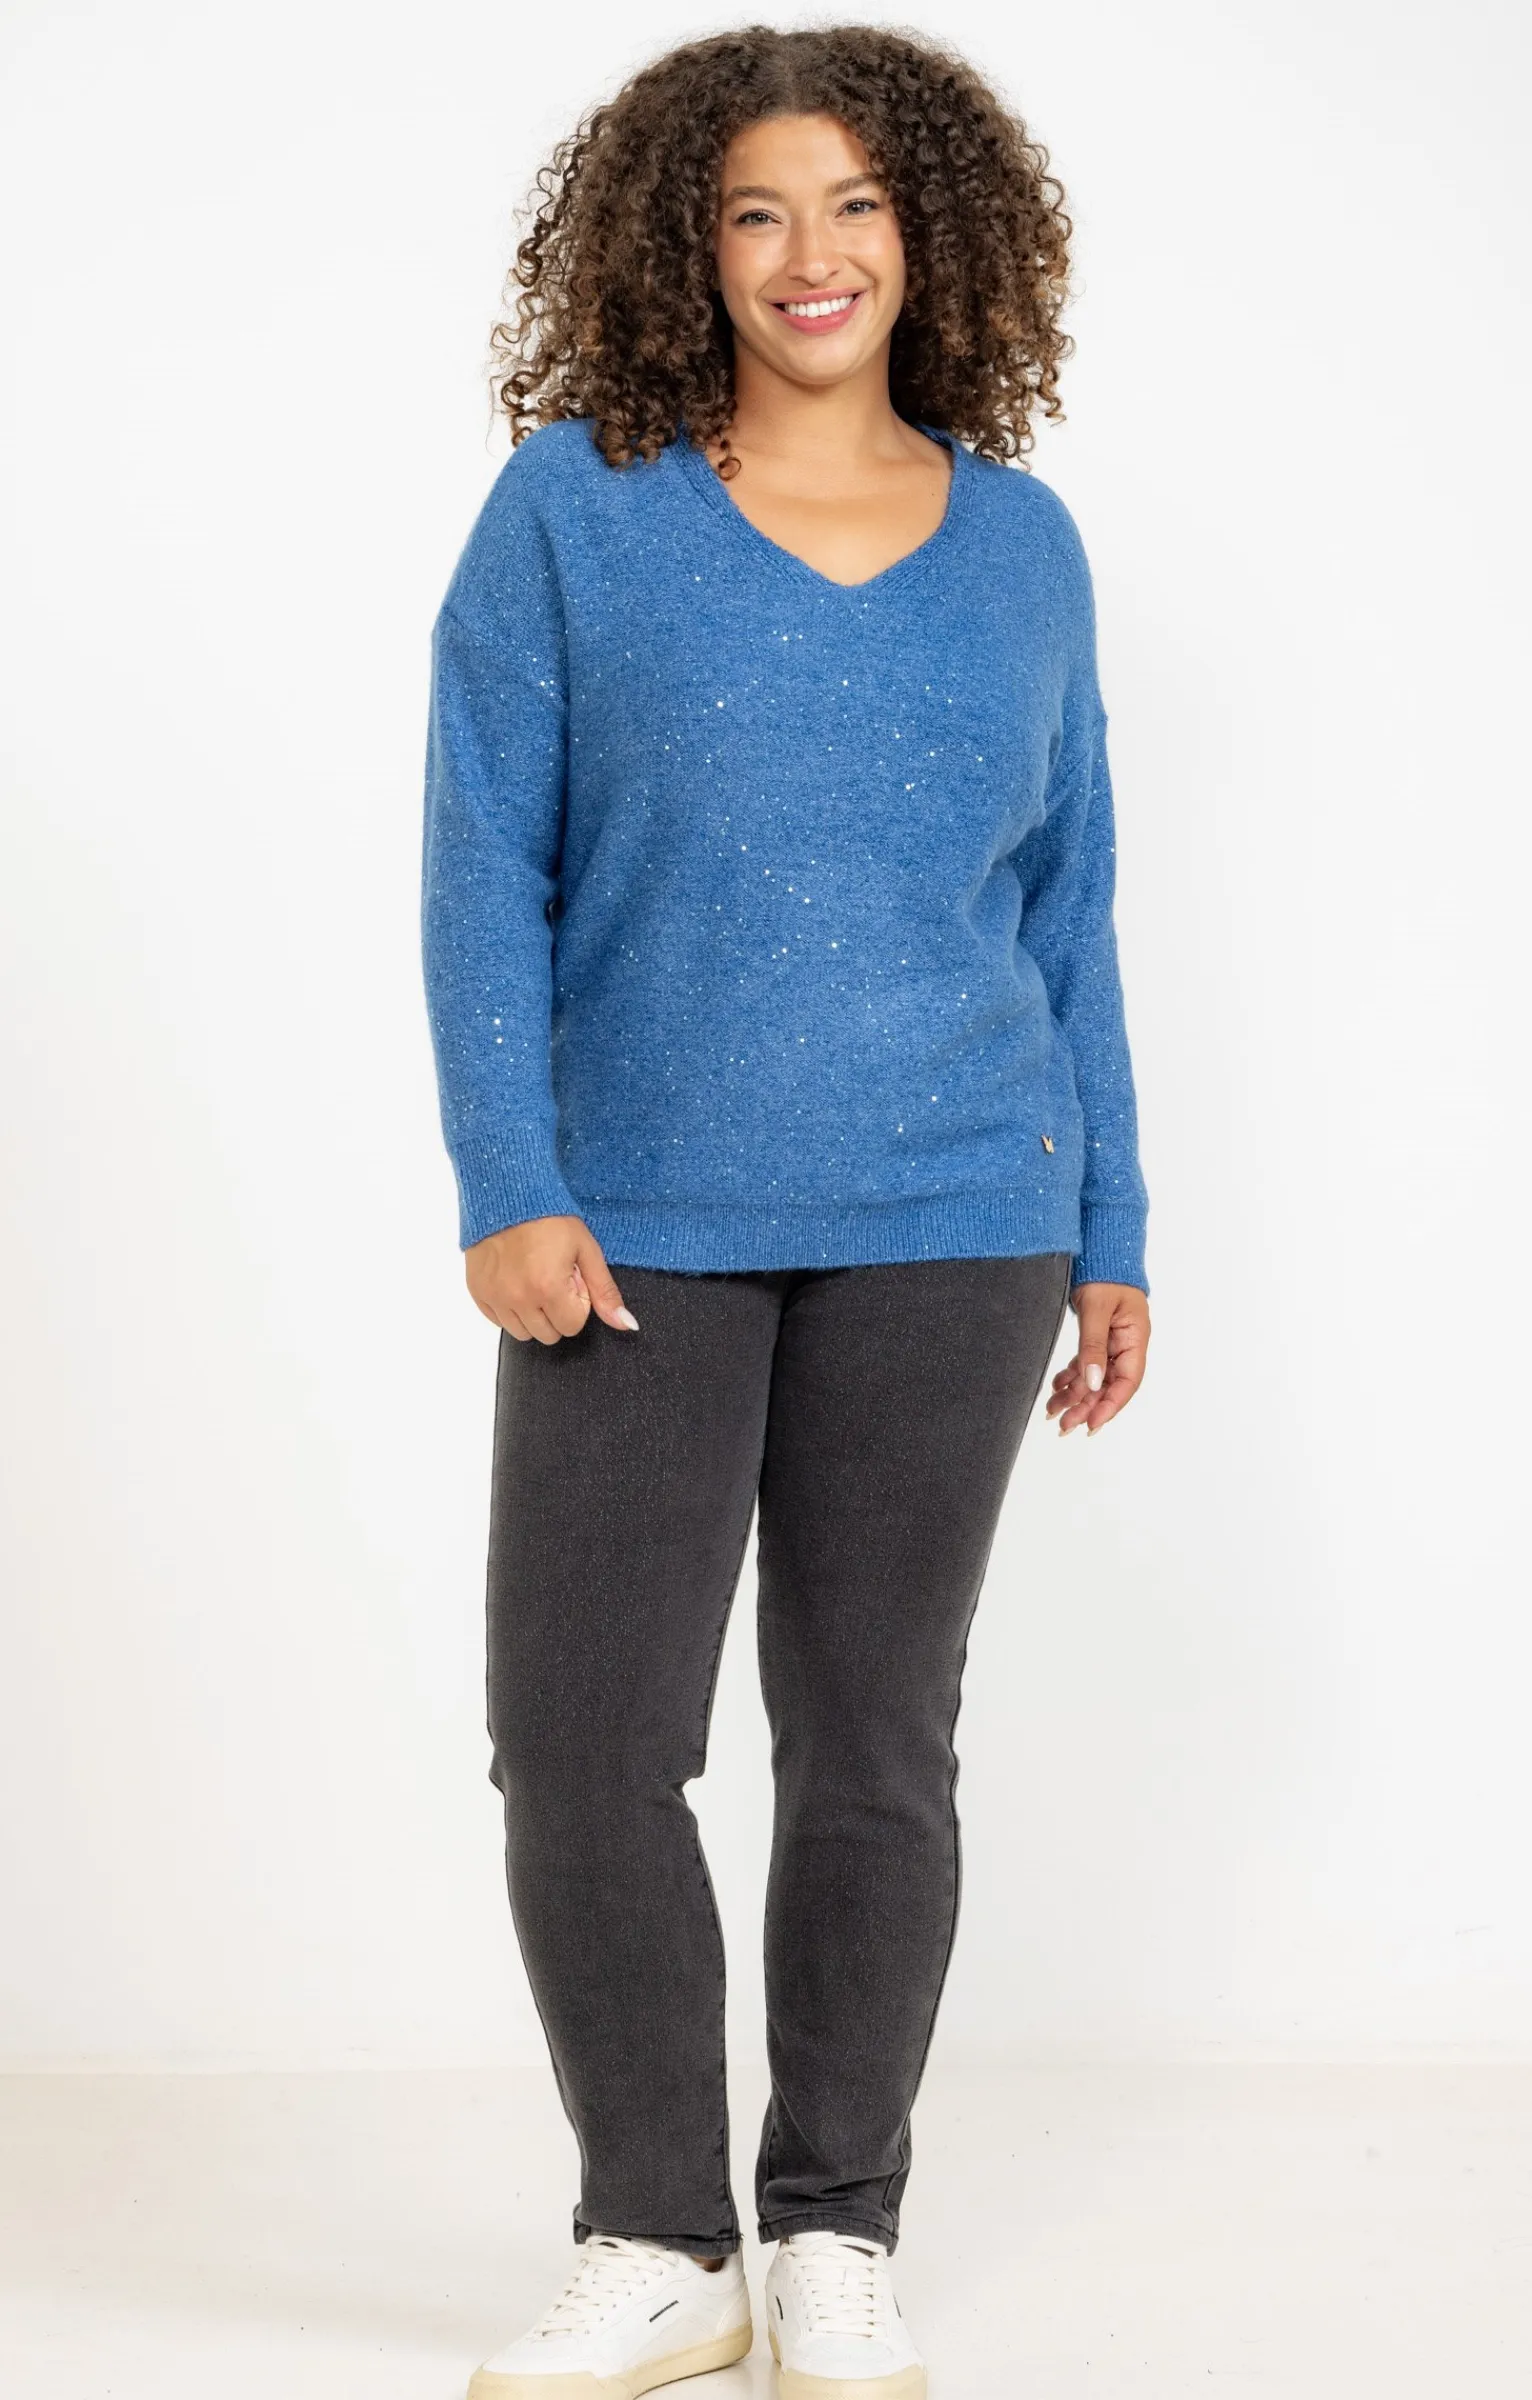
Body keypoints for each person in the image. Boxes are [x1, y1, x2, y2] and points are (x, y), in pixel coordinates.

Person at [420, 24, 1152, 2399]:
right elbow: (481, 863)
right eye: (754, 209)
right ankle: (662, 2237)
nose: (807, 253)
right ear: (684, 243)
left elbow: (1069, 908)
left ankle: (835, 2226)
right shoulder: (575, 505)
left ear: (932, 236)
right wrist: (509, 1177)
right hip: (632, 1228)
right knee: (581, 1739)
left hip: (959, 1217)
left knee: (872, 1745)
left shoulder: (1022, 543)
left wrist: (1113, 1224)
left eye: (854, 203)